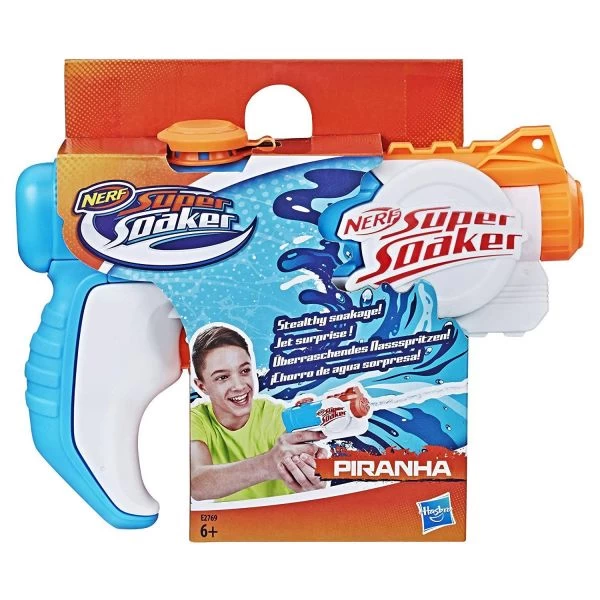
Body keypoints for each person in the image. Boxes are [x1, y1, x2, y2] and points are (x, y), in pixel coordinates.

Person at [190, 324, 326, 502]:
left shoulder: (275, 416)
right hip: (229, 518)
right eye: (222, 377)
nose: (239, 386)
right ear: (202, 386)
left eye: (244, 371)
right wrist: (269, 464)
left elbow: (310, 470)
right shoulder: (196, 420)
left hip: (283, 515)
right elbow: (197, 484)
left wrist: (312, 475)